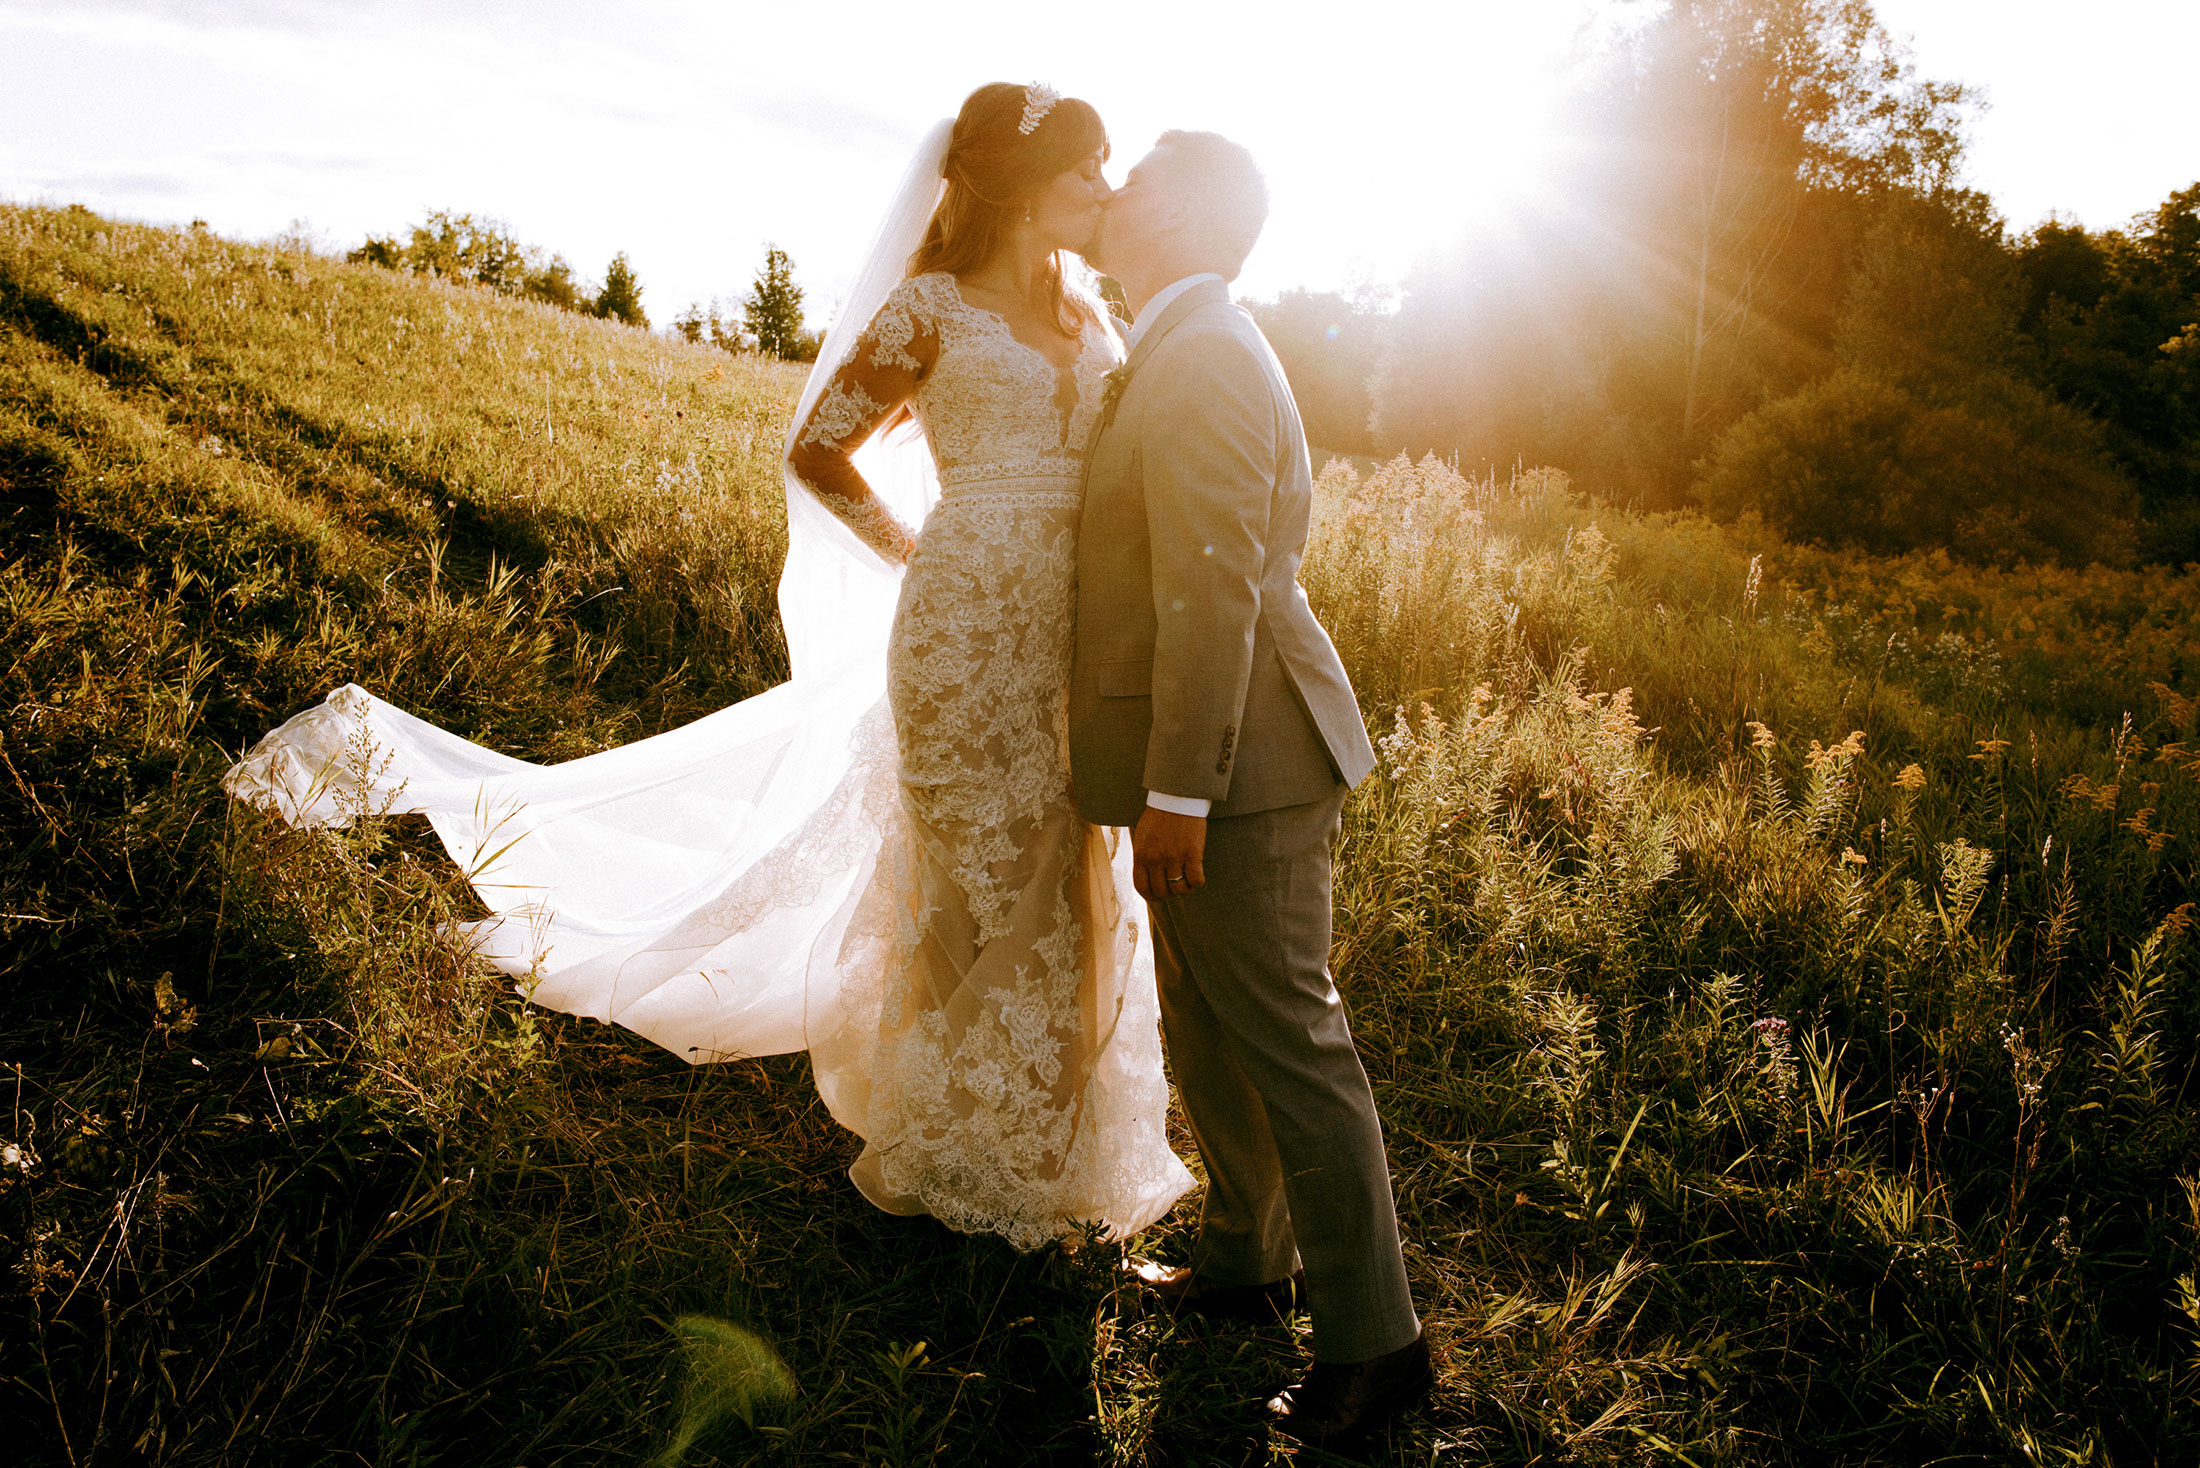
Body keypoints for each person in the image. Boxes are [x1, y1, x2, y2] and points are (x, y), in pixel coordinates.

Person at [223, 83, 1192, 1252]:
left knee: (1072, 870)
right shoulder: (929, 308)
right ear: (1021, 184)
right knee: (972, 877)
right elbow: (817, 450)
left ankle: (1054, 1148)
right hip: (959, 631)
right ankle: (956, 1151)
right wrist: (924, 543)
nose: (1105, 188)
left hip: (1075, 640)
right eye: (1088, 168)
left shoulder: (1096, 315)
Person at [1073, 131, 1430, 1446]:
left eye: (1147, 172)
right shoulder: (1176, 339)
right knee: (1206, 1022)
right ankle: (1246, 1256)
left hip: (1248, 764)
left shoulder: (1212, 352)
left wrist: (1180, 792)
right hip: (1217, 758)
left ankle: (1379, 1347)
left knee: (1292, 1042)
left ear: (1195, 216)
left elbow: (1211, 588)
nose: (1120, 188)